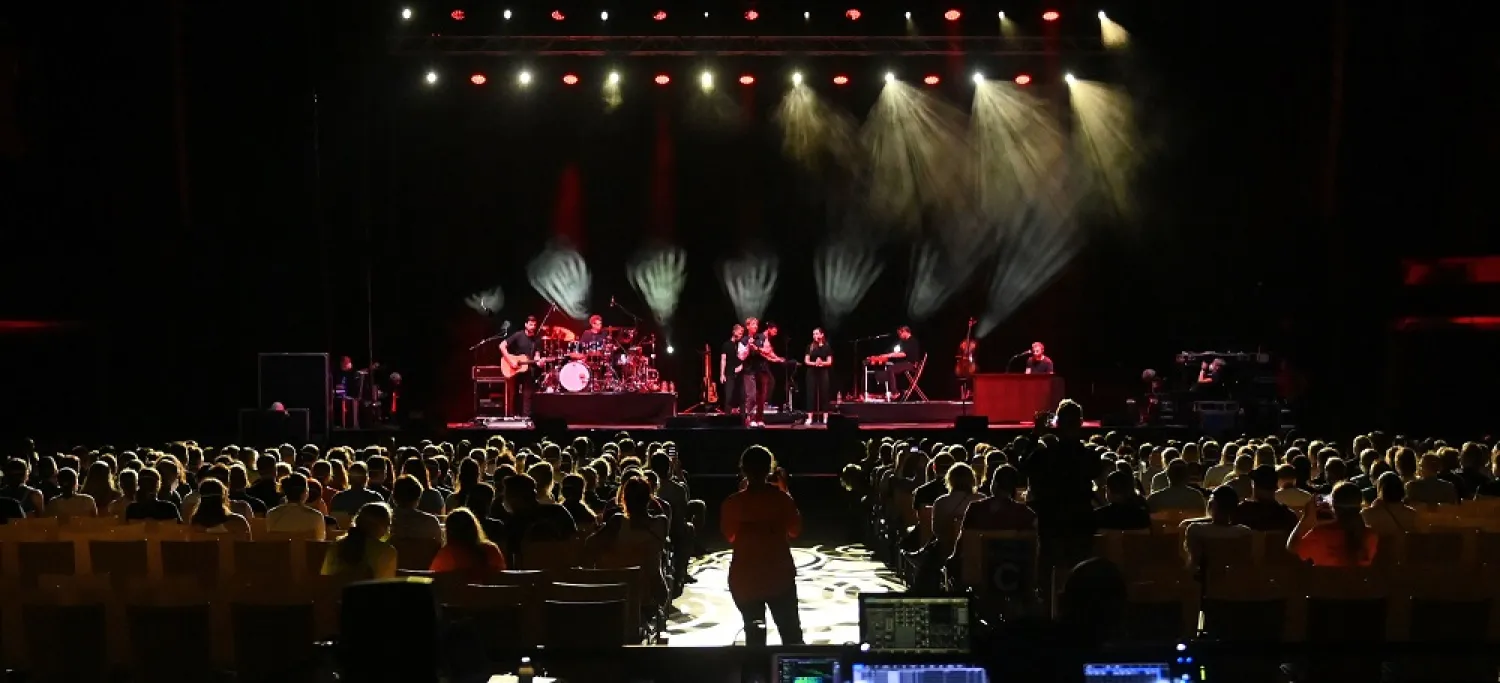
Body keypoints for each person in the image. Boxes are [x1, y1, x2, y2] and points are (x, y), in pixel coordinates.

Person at [720, 445, 803, 646]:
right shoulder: (782, 500)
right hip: (778, 576)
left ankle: (756, 675)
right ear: (769, 470)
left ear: (743, 470)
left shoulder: (733, 503)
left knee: (755, 641)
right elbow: (795, 530)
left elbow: (729, 536)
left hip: (746, 578)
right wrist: (785, 493)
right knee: (791, 636)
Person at [1287, 482, 1378, 566]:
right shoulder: (1370, 536)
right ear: (1360, 505)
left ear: (1333, 506)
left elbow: (1291, 550)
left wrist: (1305, 520)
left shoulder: (1319, 535)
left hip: (1325, 583)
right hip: (1359, 583)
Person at [322, 502, 398, 580]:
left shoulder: (336, 546)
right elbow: (386, 585)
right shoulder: (387, 551)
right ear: (383, 525)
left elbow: (325, 577)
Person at [1182, 486, 1252, 570]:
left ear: (1212, 506)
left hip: (1203, 579)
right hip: (1234, 580)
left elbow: (1193, 560)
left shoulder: (1196, 530)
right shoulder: (1244, 532)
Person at [429, 508, 507, 582]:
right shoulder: (491, 550)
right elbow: (502, 577)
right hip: (490, 595)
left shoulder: (446, 554)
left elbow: (434, 579)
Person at [737, 318, 779, 428]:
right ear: (748, 326)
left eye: (757, 324)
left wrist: (757, 348)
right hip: (749, 370)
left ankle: (760, 419)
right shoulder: (743, 340)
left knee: (762, 396)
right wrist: (748, 347)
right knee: (751, 396)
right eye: (753, 324)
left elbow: (768, 351)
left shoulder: (762, 337)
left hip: (762, 369)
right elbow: (741, 356)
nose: (756, 326)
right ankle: (750, 418)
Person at [498, 315, 542, 415]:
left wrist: (539, 362)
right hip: (514, 368)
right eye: (531, 324)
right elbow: (501, 346)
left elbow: (537, 356)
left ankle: (526, 418)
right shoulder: (518, 335)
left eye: (535, 325)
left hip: (528, 369)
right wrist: (510, 360)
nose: (533, 327)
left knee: (527, 395)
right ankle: (513, 416)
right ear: (526, 325)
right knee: (514, 394)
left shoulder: (537, 340)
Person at [266, 473, 328, 539]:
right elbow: (320, 541)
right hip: (308, 549)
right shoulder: (316, 516)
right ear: (305, 492)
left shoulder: (271, 514)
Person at [874, 326, 924, 400]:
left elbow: (903, 354)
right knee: (888, 370)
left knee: (891, 369)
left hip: (911, 364)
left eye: (900, 334)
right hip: (906, 363)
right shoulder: (906, 342)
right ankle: (886, 389)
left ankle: (895, 392)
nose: (899, 336)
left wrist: (889, 355)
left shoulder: (912, 341)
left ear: (905, 331)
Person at [803, 328, 833, 425]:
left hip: (823, 371)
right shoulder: (810, 346)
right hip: (812, 371)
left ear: (822, 334)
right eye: (813, 334)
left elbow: (829, 361)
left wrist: (821, 363)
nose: (815, 335)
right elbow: (806, 361)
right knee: (810, 394)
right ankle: (810, 417)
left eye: (816, 333)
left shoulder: (827, 347)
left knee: (824, 393)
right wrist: (815, 363)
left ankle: (825, 417)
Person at [719, 323, 745, 414]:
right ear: (734, 332)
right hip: (729, 373)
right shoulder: (726, 345)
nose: (741, 335)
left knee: (742, 397)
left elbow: (745, 357)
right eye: (740, 333)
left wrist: (742, 366)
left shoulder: (741, 345)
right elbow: (723, 359)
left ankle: (743, 419)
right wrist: (722, 374)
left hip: (741, 373)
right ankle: (727, 419)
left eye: (742, 333)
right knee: (728, 397)